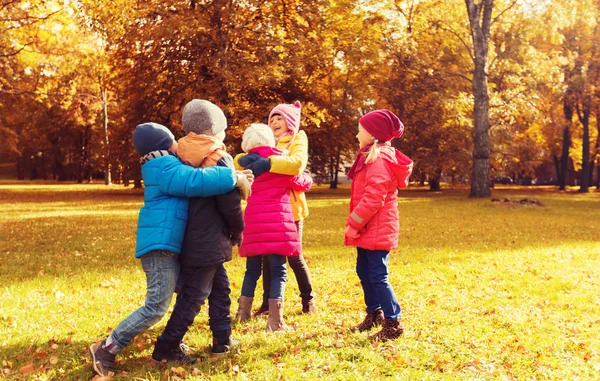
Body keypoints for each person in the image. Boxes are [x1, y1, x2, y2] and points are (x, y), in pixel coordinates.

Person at [89, 122, 248, 376]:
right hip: (160, 248)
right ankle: (106, 348)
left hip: (171, 245)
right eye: (173, 139)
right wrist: (235, 176)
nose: (179, 142)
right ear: (164, 144)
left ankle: (172, 345)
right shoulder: (163, 168)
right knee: (156, 307)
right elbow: (196, 180)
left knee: (195, 290)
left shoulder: (164, 165)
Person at [151, 100, 248, 362]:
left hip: (183, 234)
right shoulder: (219, 156)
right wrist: (238, 229)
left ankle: (222, 339)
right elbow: (229, 203)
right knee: (195, 295)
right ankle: (166, 347)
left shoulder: (176, 154)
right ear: (215, 128)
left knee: (219, 287)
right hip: (210, 236)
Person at [237, 101, 316, 315]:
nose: (274, 122)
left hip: (291, 209)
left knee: (294, 257)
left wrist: (269, 162)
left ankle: (307, 299)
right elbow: (240, 162)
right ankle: (265, 305)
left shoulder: (298, 138)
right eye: (271, 119)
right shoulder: (264, 145)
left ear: (289, 122)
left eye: (279, 118)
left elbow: (296, 163)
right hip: (268, 209)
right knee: (266, 257)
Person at [344, 110, 413, 341]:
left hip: (376, 226)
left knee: (377, 275)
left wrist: (355, 223)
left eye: (360, 130)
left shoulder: (379, 159)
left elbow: (374, 197)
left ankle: (394, 322)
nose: (356, 135)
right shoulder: (368, 156)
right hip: (369, 227)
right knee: (364, 271)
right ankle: (374, 314)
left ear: (373, 134)